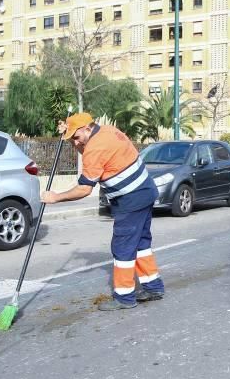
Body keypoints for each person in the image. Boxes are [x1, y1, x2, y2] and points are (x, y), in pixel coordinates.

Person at [41, 112, 165, 311]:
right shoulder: (107, 131)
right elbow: (91, 154)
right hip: (145, 192)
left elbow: (84, 189)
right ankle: (153, 287)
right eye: (72, 139)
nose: (75, 142)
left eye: (76, 137)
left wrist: (55, 197)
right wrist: (71, 137)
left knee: (123, 247)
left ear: (87, 128)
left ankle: (124, 297)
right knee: (141, 243)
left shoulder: (95, 148)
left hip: (131, 200)